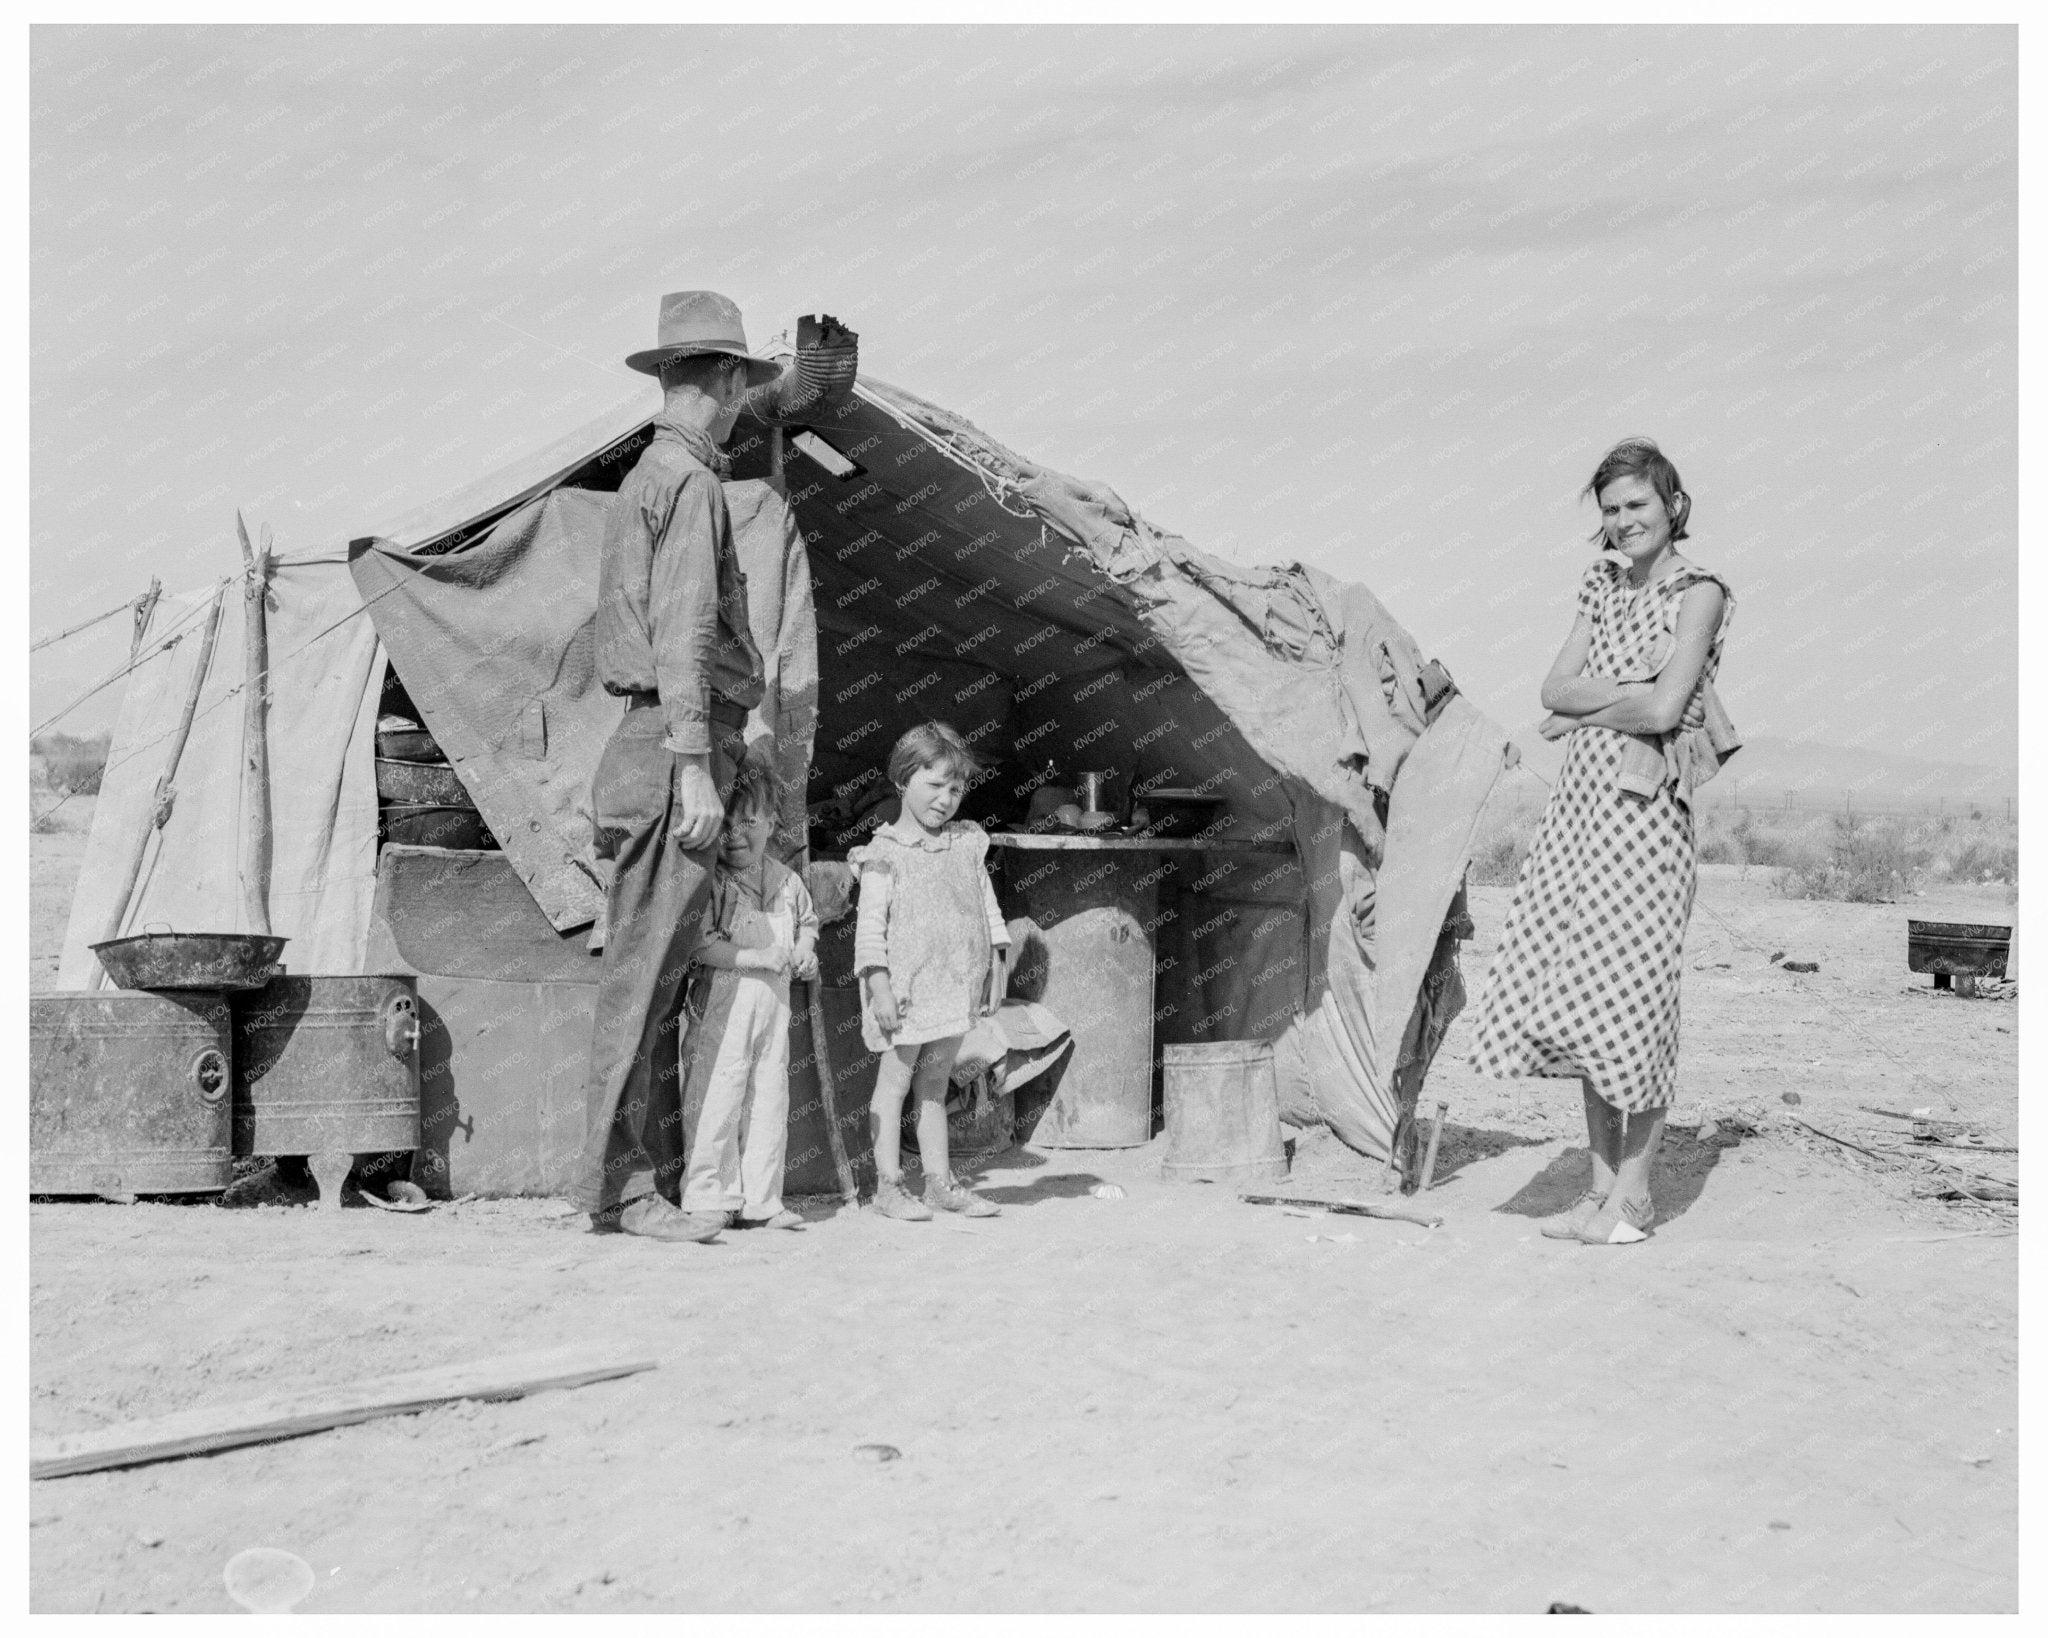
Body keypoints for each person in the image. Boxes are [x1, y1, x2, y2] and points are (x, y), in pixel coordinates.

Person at [1468, 438, 1734, 1245]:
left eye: (1638, 507)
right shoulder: (1599, 586)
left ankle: (1638, 1196)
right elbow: (1552, 688)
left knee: (1637, 996)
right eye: (1611, 510)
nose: (1624, 522)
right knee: (1579, 993)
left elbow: (1664, 715)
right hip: (1579, 810)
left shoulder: (1701, 593)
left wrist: (1594, 705)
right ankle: (1597, 1190)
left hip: (1646, 812)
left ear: (1673, 505)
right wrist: (1627, 693)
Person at [570, 291, 781, 1243]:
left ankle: (629, 1186)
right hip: (670, 750)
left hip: (652, 745)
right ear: (728, 379)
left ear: (667, 376)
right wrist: (695, 766)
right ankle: (622, 1191)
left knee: (648, 980)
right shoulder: (689, 484)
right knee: (647, 985)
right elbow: (685, 635)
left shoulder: (650, 476)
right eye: (741, 380)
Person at [848, 722, 1011, 1221]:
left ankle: (940, 1183)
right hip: (905, 992)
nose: (945, 800)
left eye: (956, 789)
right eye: (934, 785)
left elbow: (988, 909)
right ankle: (888, 1187)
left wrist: (997, 961)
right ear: (902, 780)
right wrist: (879, 988)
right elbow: (870, 932)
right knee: (895, 1084)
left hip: (953, 985)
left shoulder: (967, 843)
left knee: (936, 1087)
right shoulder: (884, 853)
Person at [677, 760, 820, 1231]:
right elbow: (700, 946)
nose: (736, 835)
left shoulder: (787, 881)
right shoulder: (712, 881)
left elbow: (807, 926)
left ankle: (762, 1199)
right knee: (717, 1094)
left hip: (772, 1016)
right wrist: (757, 957)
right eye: (727, 823)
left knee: (768, 1099)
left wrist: (805, 952)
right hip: (723, 1008)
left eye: (750, 822)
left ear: (773, 822)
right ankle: (707, 1195)